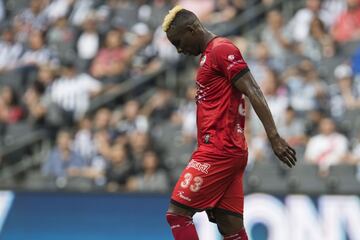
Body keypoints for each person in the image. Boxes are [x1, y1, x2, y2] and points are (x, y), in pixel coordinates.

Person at [162, 6, 297, 240]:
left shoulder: (221, 50)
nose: (180, 50)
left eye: (179, 42)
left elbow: (253, 89)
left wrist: (274, 137)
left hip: (218, 150)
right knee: (231, 229)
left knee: (178, 214)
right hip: (227, 149)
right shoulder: (209, 56)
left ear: (192, 29)